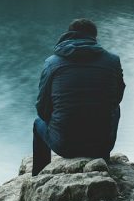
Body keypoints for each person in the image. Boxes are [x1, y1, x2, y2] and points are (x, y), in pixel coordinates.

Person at [32, 18, 125, 176]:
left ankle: (39, 177)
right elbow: (116, 98)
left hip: (65, 146)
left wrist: (58, 121)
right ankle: (103, 163)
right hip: (101, 145)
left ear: (69, 35)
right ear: (94, 38)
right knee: (115, 109)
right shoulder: (112, 61)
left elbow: (42, 109)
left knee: (38, 123)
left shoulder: (52, 63)